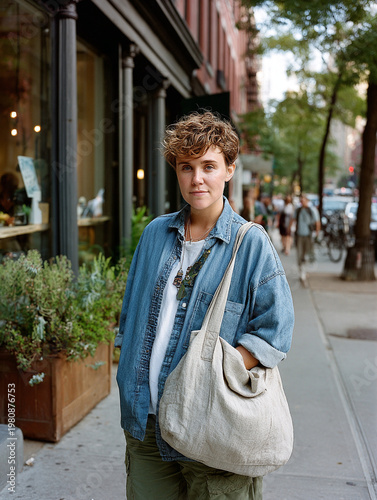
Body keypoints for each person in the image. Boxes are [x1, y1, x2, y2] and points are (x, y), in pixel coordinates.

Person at [115, 111, 294, 500]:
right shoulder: (154, 235)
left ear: (229, 169)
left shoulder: (251, 245)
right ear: (177, 172)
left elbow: (274, 333)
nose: (197, 178)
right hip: (146, 423)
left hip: (212, 422)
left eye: (209, 166)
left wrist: (215, 368)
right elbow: (130, 315)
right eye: (187, 167)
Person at [291, 193, 320, 283]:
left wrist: (316, 233)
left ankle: (305, 269)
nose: (302, 201)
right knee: (300, 253)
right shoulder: (298, 210)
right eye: (301, 199)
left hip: (308, 235)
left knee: (307, 253)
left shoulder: (312, 210)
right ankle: (301, 271)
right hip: (299, 235)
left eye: (304, 199)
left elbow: (317, 222)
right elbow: (293, 220)